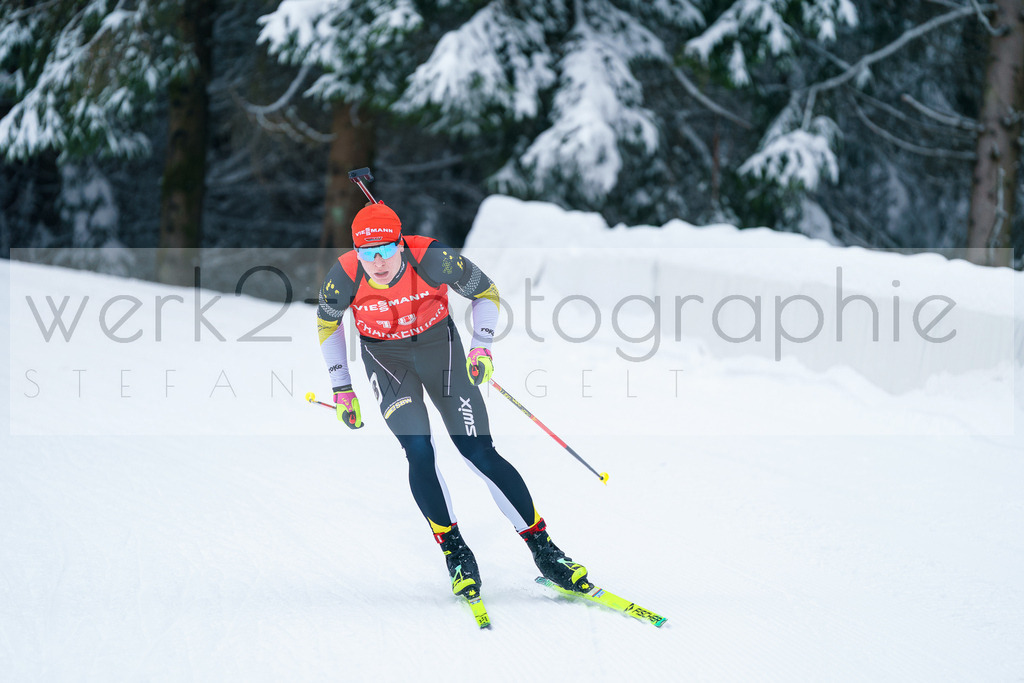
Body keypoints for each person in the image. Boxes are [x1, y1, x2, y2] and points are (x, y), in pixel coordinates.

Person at [316, 201, 590, 600]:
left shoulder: (433, 258)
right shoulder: (343, 275)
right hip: (388, 361)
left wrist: (482, 347)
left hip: (439, 351)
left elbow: (486, 292)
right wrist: (342, 387)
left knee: (478, 451)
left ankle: (545, 550)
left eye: (385, 251)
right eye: (366, 253)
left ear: (400, 244)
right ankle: (456, 553)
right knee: (418, 449)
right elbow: (328, 322)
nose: (376, 263)